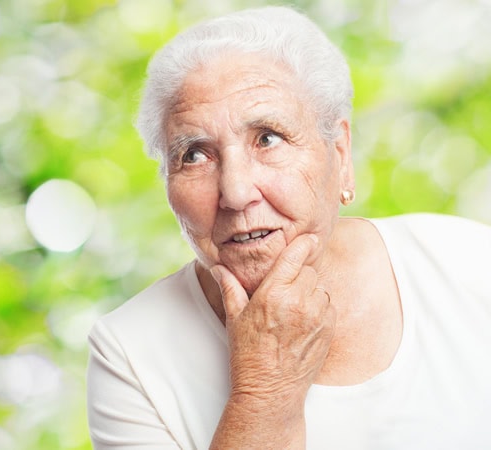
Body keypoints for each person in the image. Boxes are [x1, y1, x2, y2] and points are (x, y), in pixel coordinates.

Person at [86, 6, 491, 449]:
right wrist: (264, 392)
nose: (236, 192)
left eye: (268, 138)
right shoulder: (129, 352)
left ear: (340, 154)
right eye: (195, 154)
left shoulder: (468, 262)